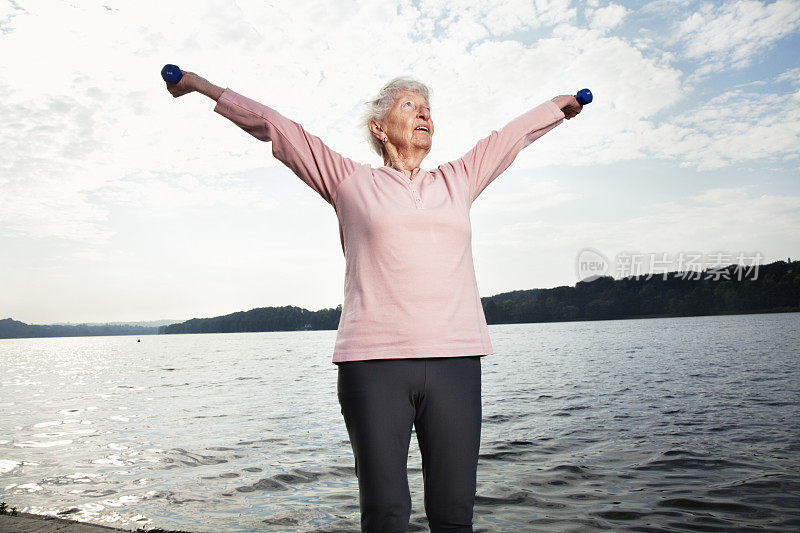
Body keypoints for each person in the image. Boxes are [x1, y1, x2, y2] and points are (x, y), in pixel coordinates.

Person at [165, 71, 582, 532]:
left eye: (427, 108)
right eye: (409, 106)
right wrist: (202, 87)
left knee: (454, 512)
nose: (423, 113)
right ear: (378, 128)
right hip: (374, 365)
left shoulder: (458, 180)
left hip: (456, 362)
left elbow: (508, 139)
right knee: (385, 513)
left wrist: (557, 108)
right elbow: (279, 128)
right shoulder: (348, 181)